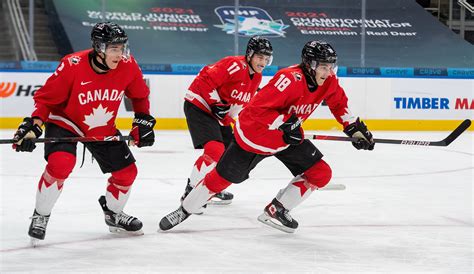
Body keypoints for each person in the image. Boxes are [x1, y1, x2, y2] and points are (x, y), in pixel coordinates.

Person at [159, 40, 375, 233]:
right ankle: (185, 210)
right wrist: (284, 123)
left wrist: (354, 128)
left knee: (320, 173)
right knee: (221, 179)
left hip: (285, 139)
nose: (327, 72)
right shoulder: (289, 79)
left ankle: (277, 208)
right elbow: (256, 110)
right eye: (323, 66)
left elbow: (339, 104)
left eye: (330, 66)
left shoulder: (329, 81)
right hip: (254, 136)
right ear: (309, 64)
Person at [12, 22, 156, 244]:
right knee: (61, 164)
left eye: (122, 48)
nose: (120, 54)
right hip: (66, 122)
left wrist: (142, 119)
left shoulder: (128, 65)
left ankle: (113, 213)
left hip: (101, 125)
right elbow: (46, 99)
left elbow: (139, 95)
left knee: (127, 173)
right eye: (114, 49)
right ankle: (41, 215)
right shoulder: (72, 64)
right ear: (99, 48)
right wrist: (34, 124)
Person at [181, 36, 273, 209]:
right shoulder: (234, 65)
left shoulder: (257, 78)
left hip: (218, 115)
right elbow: (205, 80)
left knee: (228, 155)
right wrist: (215, 103)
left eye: (267, 59)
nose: (263, 62)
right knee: (215, 150)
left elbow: (239, 105)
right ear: (250, 55)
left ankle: (209, 188)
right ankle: (191, 192)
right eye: (260, 57)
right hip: (200, 105)